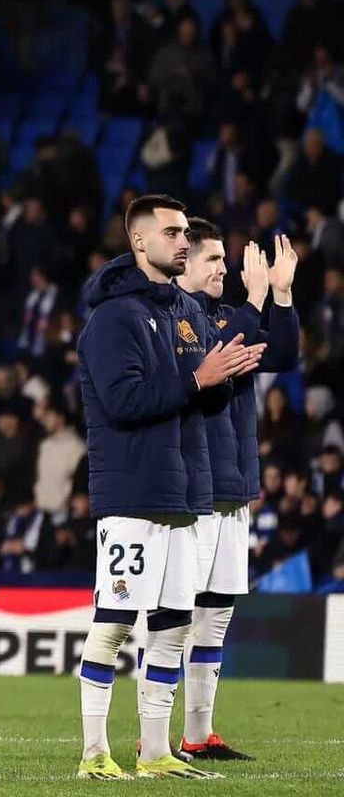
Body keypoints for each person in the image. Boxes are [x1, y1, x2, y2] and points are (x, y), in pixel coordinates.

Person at [72, 195, 263, 780]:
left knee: (174, 623)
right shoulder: (112, 318)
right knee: (114, 622)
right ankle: (93, 753)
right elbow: (124, 402)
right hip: (131, 493)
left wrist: (223, 378)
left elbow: (208, 396)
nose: (184, 241)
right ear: (139, 242)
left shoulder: (187, 308)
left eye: (186, 232)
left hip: (186, 492)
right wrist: (199, 377)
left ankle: (156, 751)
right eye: (173, 232)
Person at [173, 220, 298, 762]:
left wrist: (284, 297)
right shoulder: (179, 318)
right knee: (174, 616)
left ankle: (198, 736)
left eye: (225, 260)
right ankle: (152, 736)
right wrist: (256, 299)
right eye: (213, 261)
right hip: (191, 492)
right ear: (185, 264)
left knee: (215, 613)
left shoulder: (228, 316)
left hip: (232, 489)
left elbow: (285, 356)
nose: (223, 268)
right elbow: (214, 351)